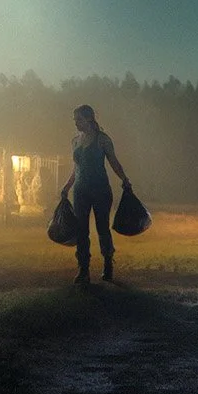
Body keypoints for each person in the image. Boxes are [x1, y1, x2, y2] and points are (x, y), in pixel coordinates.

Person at [66, 104, 131, 285]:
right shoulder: (75, 141)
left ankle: (108, 262)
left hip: (100, 190)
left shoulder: (103, 140)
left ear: (89, 119)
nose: (76, 123)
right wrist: (66, 187)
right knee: (81, 231)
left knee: (102, 228)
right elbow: (76, 169)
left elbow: (114, 163)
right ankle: (83, 268)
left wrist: (124, 179)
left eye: (79, 119)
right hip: (80, 191)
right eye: (75, 120)